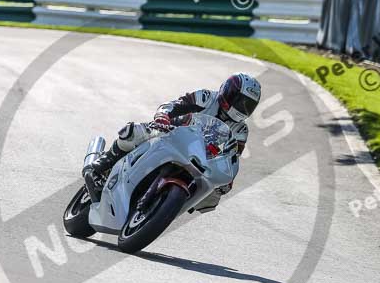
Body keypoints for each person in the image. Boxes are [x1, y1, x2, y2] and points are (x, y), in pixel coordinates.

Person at [88, 73, 262, 212]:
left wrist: (227, 179)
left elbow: (232, 157)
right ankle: (103, 163)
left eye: (248, 105)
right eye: (239, 101)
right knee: (132, 132)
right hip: (173, 133)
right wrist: (163, 116)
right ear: (228, 91)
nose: (242, 108)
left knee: (213, 197)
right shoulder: (206, 98)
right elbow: (175, 105)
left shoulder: (241, 130)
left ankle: (168, 205)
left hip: (201, 159)